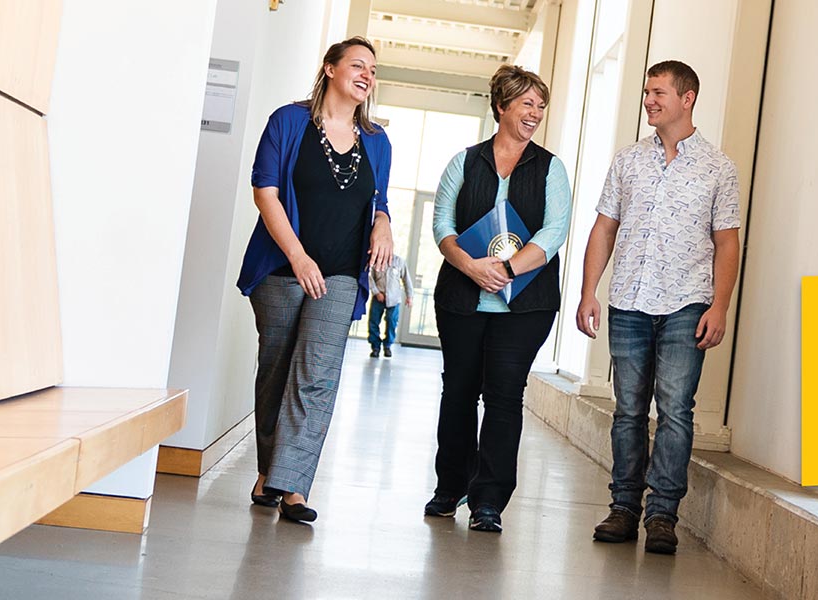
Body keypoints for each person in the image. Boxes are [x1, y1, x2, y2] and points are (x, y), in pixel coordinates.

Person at [577, 60, 741, 554]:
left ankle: (663, 516)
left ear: (687, 98)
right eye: (647, 92)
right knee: (627, 410)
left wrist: (721, 306)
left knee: (675, 411)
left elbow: (728, 243)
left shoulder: (718, 167)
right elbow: (604, 228)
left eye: (658, 92)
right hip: (628, 299)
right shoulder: (627, 161)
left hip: (688, 304)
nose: (649, 99)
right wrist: (590, 291)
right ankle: (623, 507)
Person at [234, 36, 393, 524]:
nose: (367, 75)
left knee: (317, 378)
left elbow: (378, 200)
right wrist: (299, 257)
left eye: (372, 69)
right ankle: (269, 473)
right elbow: (266, 192)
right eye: (357, 65)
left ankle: (293, 487)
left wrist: (384, 222)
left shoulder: (378, 141)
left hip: (342, 273)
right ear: (329, 69)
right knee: (277, 372)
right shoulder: (288, 121)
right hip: (282, 268)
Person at [424, 65, 572, 533]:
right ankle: (450, 486)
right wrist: (470, 266)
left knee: (505, 396)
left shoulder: (551, 168)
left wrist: (505, 269)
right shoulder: (464, 162)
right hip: (462, 300)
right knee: (459, 392)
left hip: (525, 307)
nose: (535, 113)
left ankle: (489, 500)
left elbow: (554, 232)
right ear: (502, 106)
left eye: (541, 105)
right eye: (527, 103)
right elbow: (442, 224)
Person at [368, 253, 414, 358]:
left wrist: (409, 296)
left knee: (392, 322)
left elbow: (407, 280)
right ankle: (375, 347)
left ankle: (387, 346)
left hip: (394, 299)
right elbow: (370, 277)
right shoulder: (376, 260)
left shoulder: (399, 261)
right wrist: (376, 292)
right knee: (373, 322)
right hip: (378, 297)